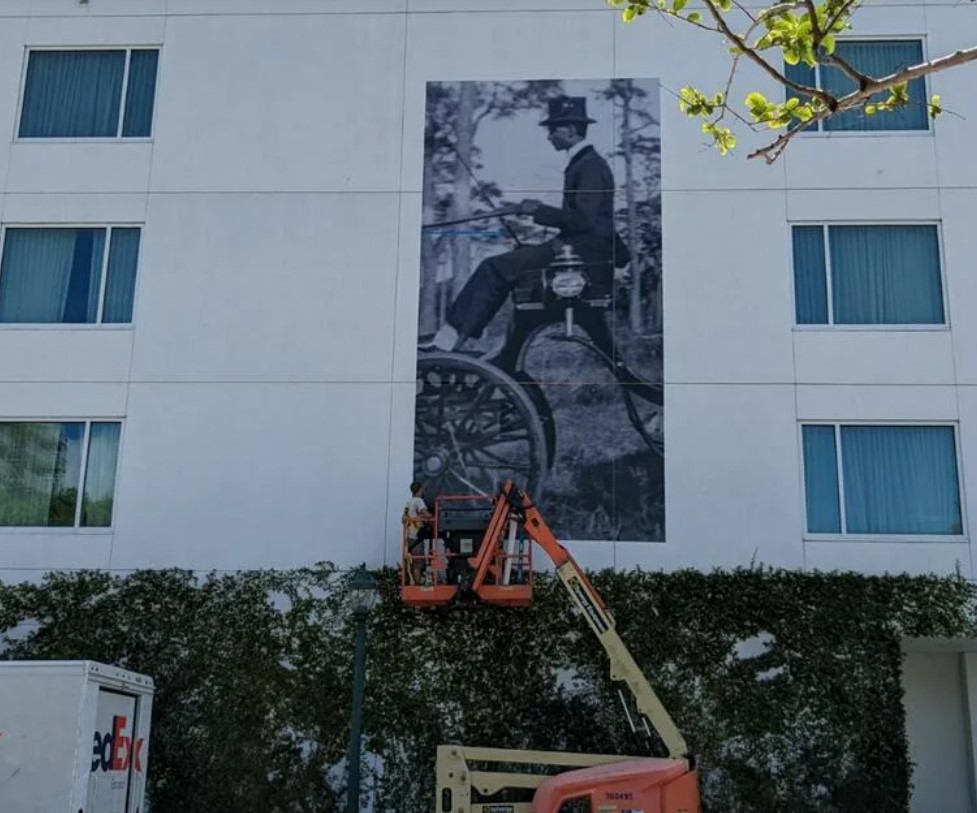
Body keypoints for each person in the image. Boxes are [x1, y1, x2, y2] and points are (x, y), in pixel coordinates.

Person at [420, 95, 628, 353]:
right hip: (577, 252)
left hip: (582, 257)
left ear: (571, 130)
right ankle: (497, 353)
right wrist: (534, 212)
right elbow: (589, 220)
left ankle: (447, 343)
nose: (549, 136)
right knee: (513, 260)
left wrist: (536, 210)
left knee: (492, 268)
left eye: (553, 129)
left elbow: (584, 220)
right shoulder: (584, 162)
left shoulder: (589, 166)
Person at [403, 480, 433, 584]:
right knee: (418, 563)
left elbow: (403, 519)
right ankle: (418, 584)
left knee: (412, 562)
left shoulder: (408, 503)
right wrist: (431, 517)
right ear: (420, 489)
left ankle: (412, 582)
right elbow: (426, 514)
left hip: (408, 536)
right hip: (416, 536)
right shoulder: (419, 501)